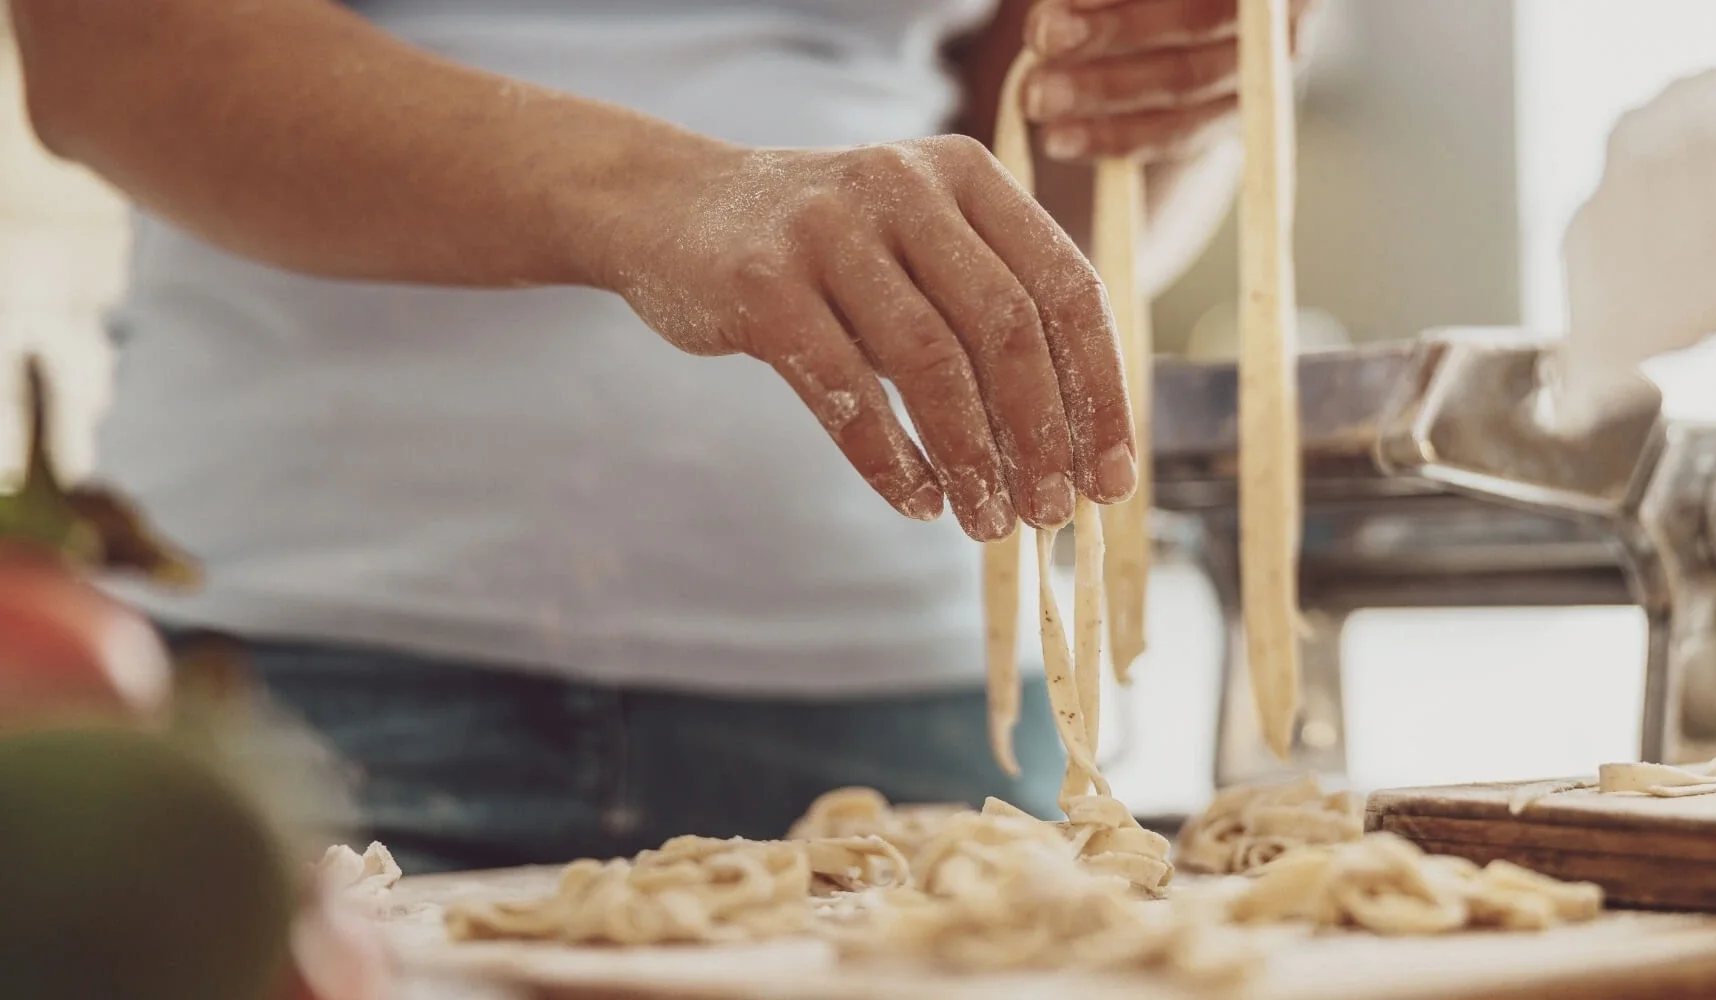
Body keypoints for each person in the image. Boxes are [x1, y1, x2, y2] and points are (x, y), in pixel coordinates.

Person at [10, 0, 1301, 874]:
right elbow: (117, 51)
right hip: (310, 697)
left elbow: (1029, 187)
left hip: (913, 712)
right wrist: (673, 202)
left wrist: (1176, 87)